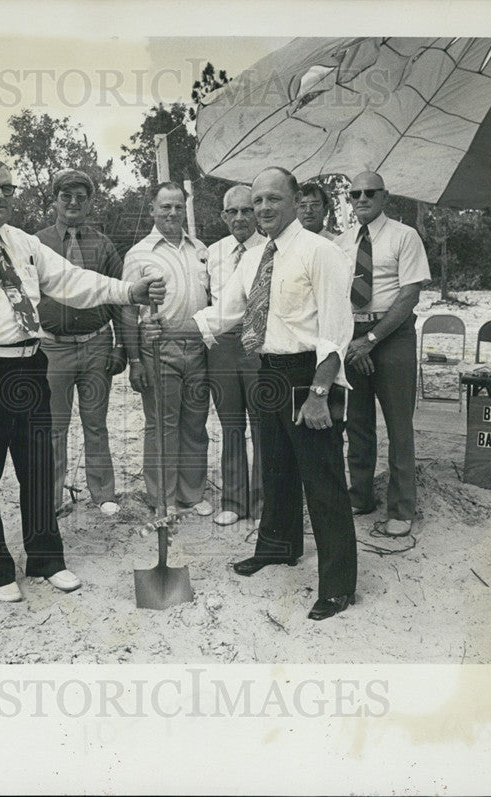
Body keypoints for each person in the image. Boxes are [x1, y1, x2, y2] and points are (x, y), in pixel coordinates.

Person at [0, 157, 164, 603]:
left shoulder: (22, 242)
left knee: (39, 471)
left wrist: (127, 291)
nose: (0, 196)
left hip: (28, 367)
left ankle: (46, 558)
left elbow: (72, 281)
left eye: (8, 188)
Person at [143, 166, 357, 621]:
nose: (262, 208)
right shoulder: (257, 257)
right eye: (257, 200)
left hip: (309, 375)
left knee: (323, 482)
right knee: (276, 470)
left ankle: (338, 586)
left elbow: (337, 330)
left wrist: (319, 392)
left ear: (295, 201)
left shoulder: (322, 252)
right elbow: (224, 312)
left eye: (272, 199)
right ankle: (279, 548)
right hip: (270, 370)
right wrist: (167, 329)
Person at [335, 171, 431, 537]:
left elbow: (409, 295)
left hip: (391, 335)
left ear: (384, 196)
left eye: (369, 192)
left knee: (398, 425)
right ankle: (360, 496)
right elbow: (334, 294)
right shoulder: (341, 243)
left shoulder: (404, 237)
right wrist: (351, 341)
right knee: (357, 423)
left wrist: (371, 339)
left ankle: (402, 507)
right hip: (352, 334)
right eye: (354, 193)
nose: (361, 198)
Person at [34, 169, 126, 518]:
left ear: (90, 203)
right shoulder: (36, 243)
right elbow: (21, 296)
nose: (73, 203)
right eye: (65, 196)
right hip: (51, 348)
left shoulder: (103, 244)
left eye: (81, 197)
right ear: (54, 200)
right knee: (54, 427)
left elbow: (121, 298)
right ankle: (51, 497)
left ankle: (103, 493)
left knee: (96, 422)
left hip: (96, 346)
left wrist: (121, 347)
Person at [123, 182, 213, 518]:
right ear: (152, 210)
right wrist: (134, 359)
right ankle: (163, 498)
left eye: (178, 206)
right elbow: (128, 309)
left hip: (197, 346)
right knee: (162, 425)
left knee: (194, 423)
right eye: (165, 207)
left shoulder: (201, 249)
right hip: (158, 348)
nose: (172, 213)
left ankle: (191, 493)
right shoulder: (139, 254)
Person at [204, 185, 266, 527]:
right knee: (230, 424)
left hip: (258, 343)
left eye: (247, 210)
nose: (240, 217)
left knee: (261, 424)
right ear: (224, 216)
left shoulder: (271, 248)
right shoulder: (213, 252)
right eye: (233, 212)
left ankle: (262, 500)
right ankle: (233, 499)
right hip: (223, 345)